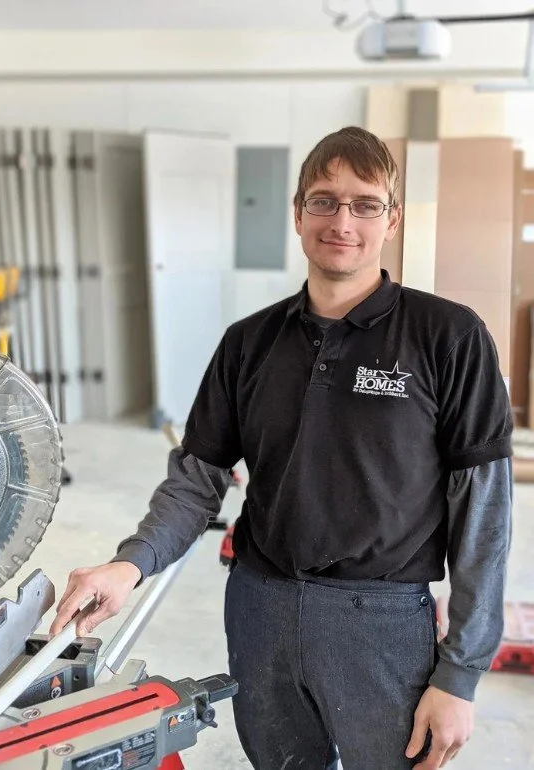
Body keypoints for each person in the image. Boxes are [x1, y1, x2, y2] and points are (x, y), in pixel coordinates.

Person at [51, 126, 513, 770]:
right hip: (259, 609)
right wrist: (131, 563)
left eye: (364, 203)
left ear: (393, 218)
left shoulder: (450, 337)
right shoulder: (249, 342)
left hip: (379, 623)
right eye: (323, 200)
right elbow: (196, 480)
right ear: (298, 214)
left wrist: (458, 674)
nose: (342, 221)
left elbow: (483, 520)